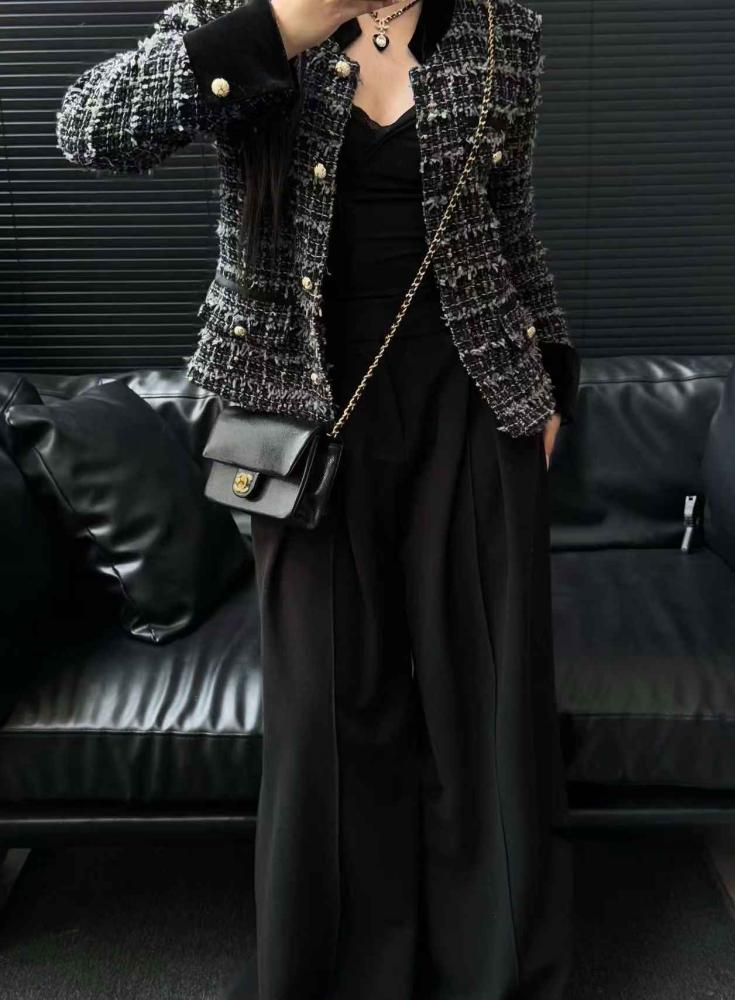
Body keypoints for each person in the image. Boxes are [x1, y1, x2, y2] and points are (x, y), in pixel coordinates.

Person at [56, 1, 581, 997]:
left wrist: (548, 378)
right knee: (331, 716)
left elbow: (511, 225)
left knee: (489, 712)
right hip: (298, 418)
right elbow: (91, 126)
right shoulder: (238, 16)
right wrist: (284, 25)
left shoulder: (501, 27)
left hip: (474, 400)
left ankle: (497, 975)